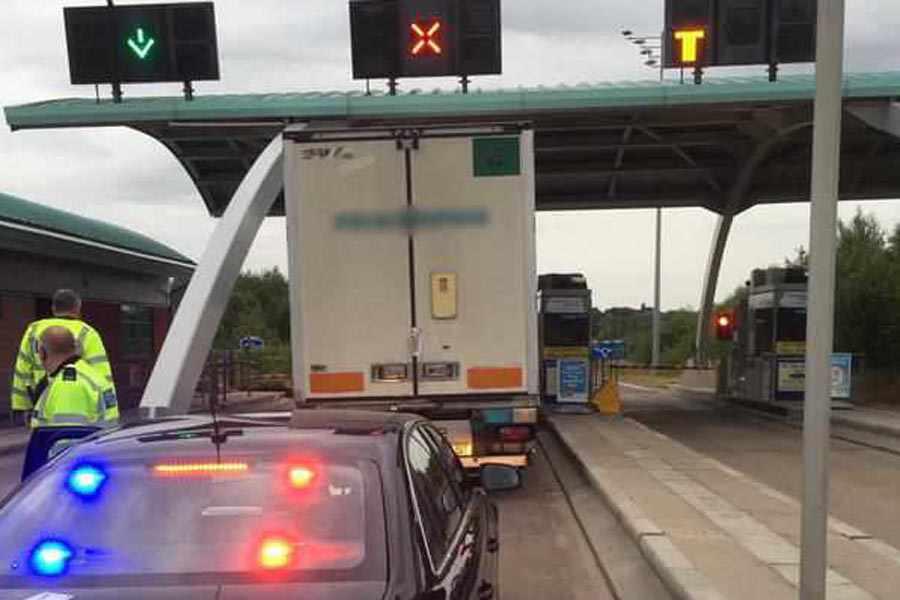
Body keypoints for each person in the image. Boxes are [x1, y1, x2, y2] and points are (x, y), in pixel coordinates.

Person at [20, 327, 119, 479]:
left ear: (42, 352)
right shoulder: (90, 374)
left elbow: (64, 443)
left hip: (70, 476)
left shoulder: (68, 385)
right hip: (98, 463)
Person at [10, 289, 114, 422]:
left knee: (44, 438)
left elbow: (22, 370)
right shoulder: (87, 332)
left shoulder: (33, 330)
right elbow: (102, 374)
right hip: (78, 401)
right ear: (77, 308)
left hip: (41, 400)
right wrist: (109, 412)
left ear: (53, 308)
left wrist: (21, 406)